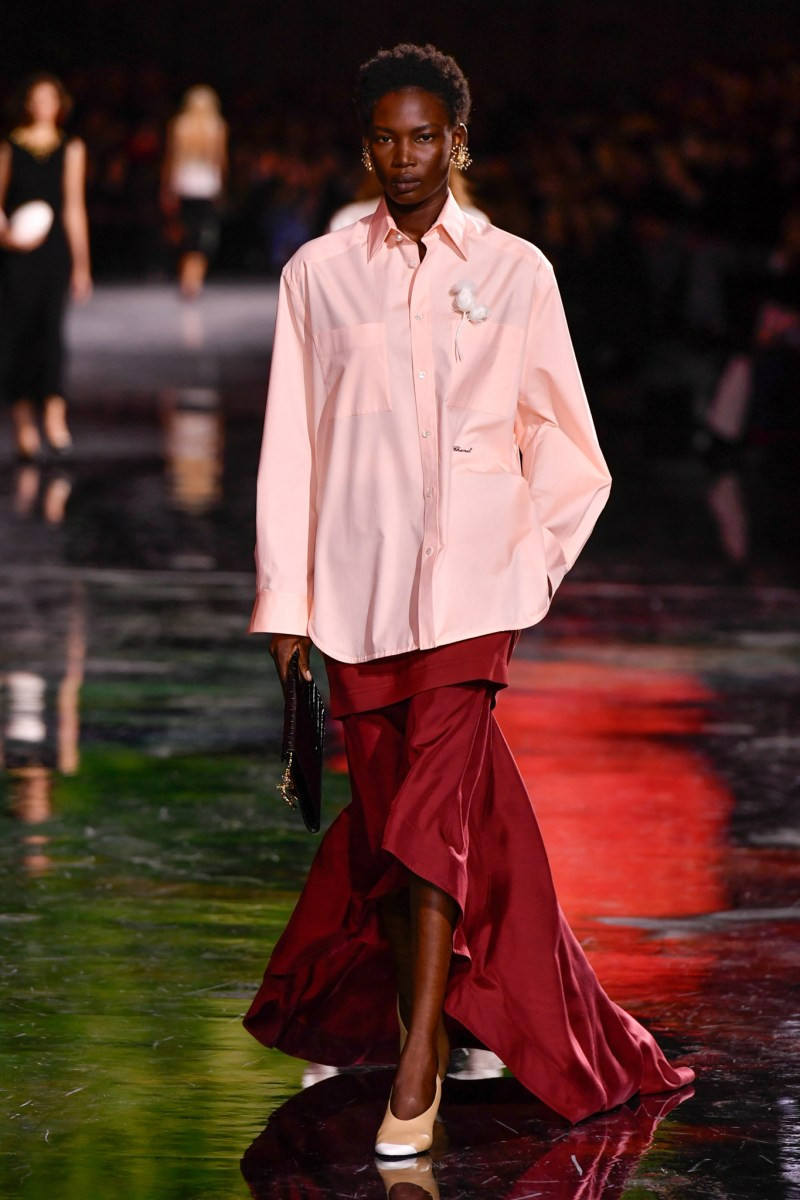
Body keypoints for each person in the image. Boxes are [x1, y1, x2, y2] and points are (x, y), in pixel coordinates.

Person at [244, 43, 694, 1160]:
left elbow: (570, 449)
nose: (404, 156)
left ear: (457, 141)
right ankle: (452, 1016)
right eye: (384, 138)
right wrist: (285, 605)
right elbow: (290, 450)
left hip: (469, 596)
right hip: (353, 593)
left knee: (431, 822)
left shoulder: (517, 271)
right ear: (365, 146)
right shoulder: (316, 276)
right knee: (396, 824)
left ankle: (418, 1064)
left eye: (424, 137)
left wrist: (525, 569)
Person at [0, 73, 92, 460]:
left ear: (59, 104)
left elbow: (73, 206)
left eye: (49, 99)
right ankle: (23, 423)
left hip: (53, 252)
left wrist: (82, 264)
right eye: (36, 99)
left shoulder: (70, 147)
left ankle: (55, 416)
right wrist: (7, 236)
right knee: (16, 336)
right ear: (27, 104)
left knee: (52, 332)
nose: (42, 106)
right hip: (16, 254)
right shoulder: (10, 146)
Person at [161, 86, 227, 299]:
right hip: (207, 183)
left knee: (187, 230)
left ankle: (186, 278)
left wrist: (167, 186)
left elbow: (171, 159)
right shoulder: (216, 126)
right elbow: (220, 159)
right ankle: (194, 279)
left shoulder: (180, 125)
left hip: (184, 182)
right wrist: (222, 185)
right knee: (203, 232)